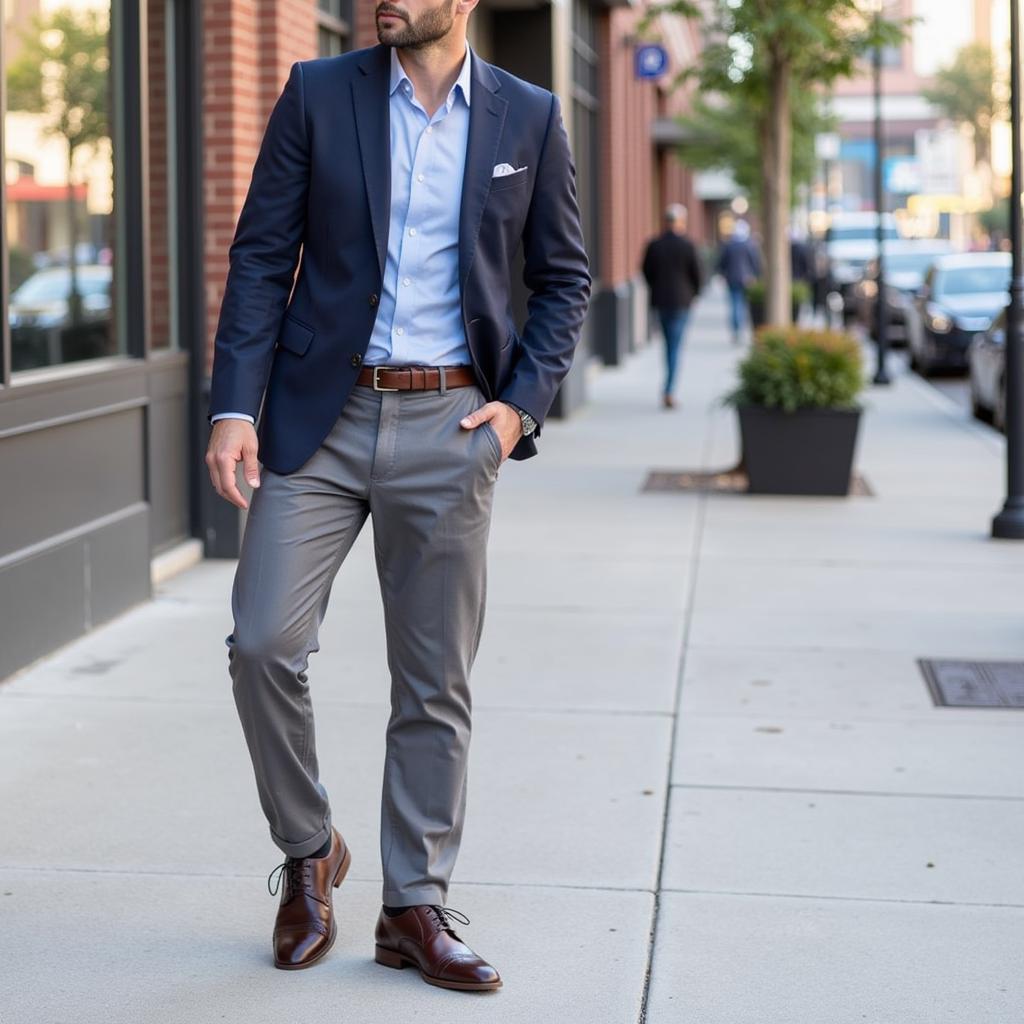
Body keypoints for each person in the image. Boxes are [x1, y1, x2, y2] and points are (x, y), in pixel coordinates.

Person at [204, 0, 590, 993]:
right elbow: (258, 259)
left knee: (433, 681)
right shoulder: (317, 94)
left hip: (450, 422)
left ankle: (411, 903)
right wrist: (232, 407)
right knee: (262, 643)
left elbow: (563, 279)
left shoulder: (530, 117)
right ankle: (309, 849)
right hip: (317, 422)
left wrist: (513, 411)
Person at [641, 203, 704, 408]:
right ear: (681, 222)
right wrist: (693, 294)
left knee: (669, 345)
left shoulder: (654, 244)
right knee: (674, 347)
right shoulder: (687, 245)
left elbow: (646, 272)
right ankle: (669, 390)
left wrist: (656, 287)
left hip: (660, 301)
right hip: (681, 302)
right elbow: (697, 275)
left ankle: (668, 387)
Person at [716, 219, 761, 344]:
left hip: (732, 278)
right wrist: (756, 275)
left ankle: (736, 329)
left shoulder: (729, 245)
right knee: (742, 304)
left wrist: (721, 274)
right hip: (747, 279)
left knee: (734, 303)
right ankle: (739, 326)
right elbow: (755, 262)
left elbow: (722, 262)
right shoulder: (749, 245)